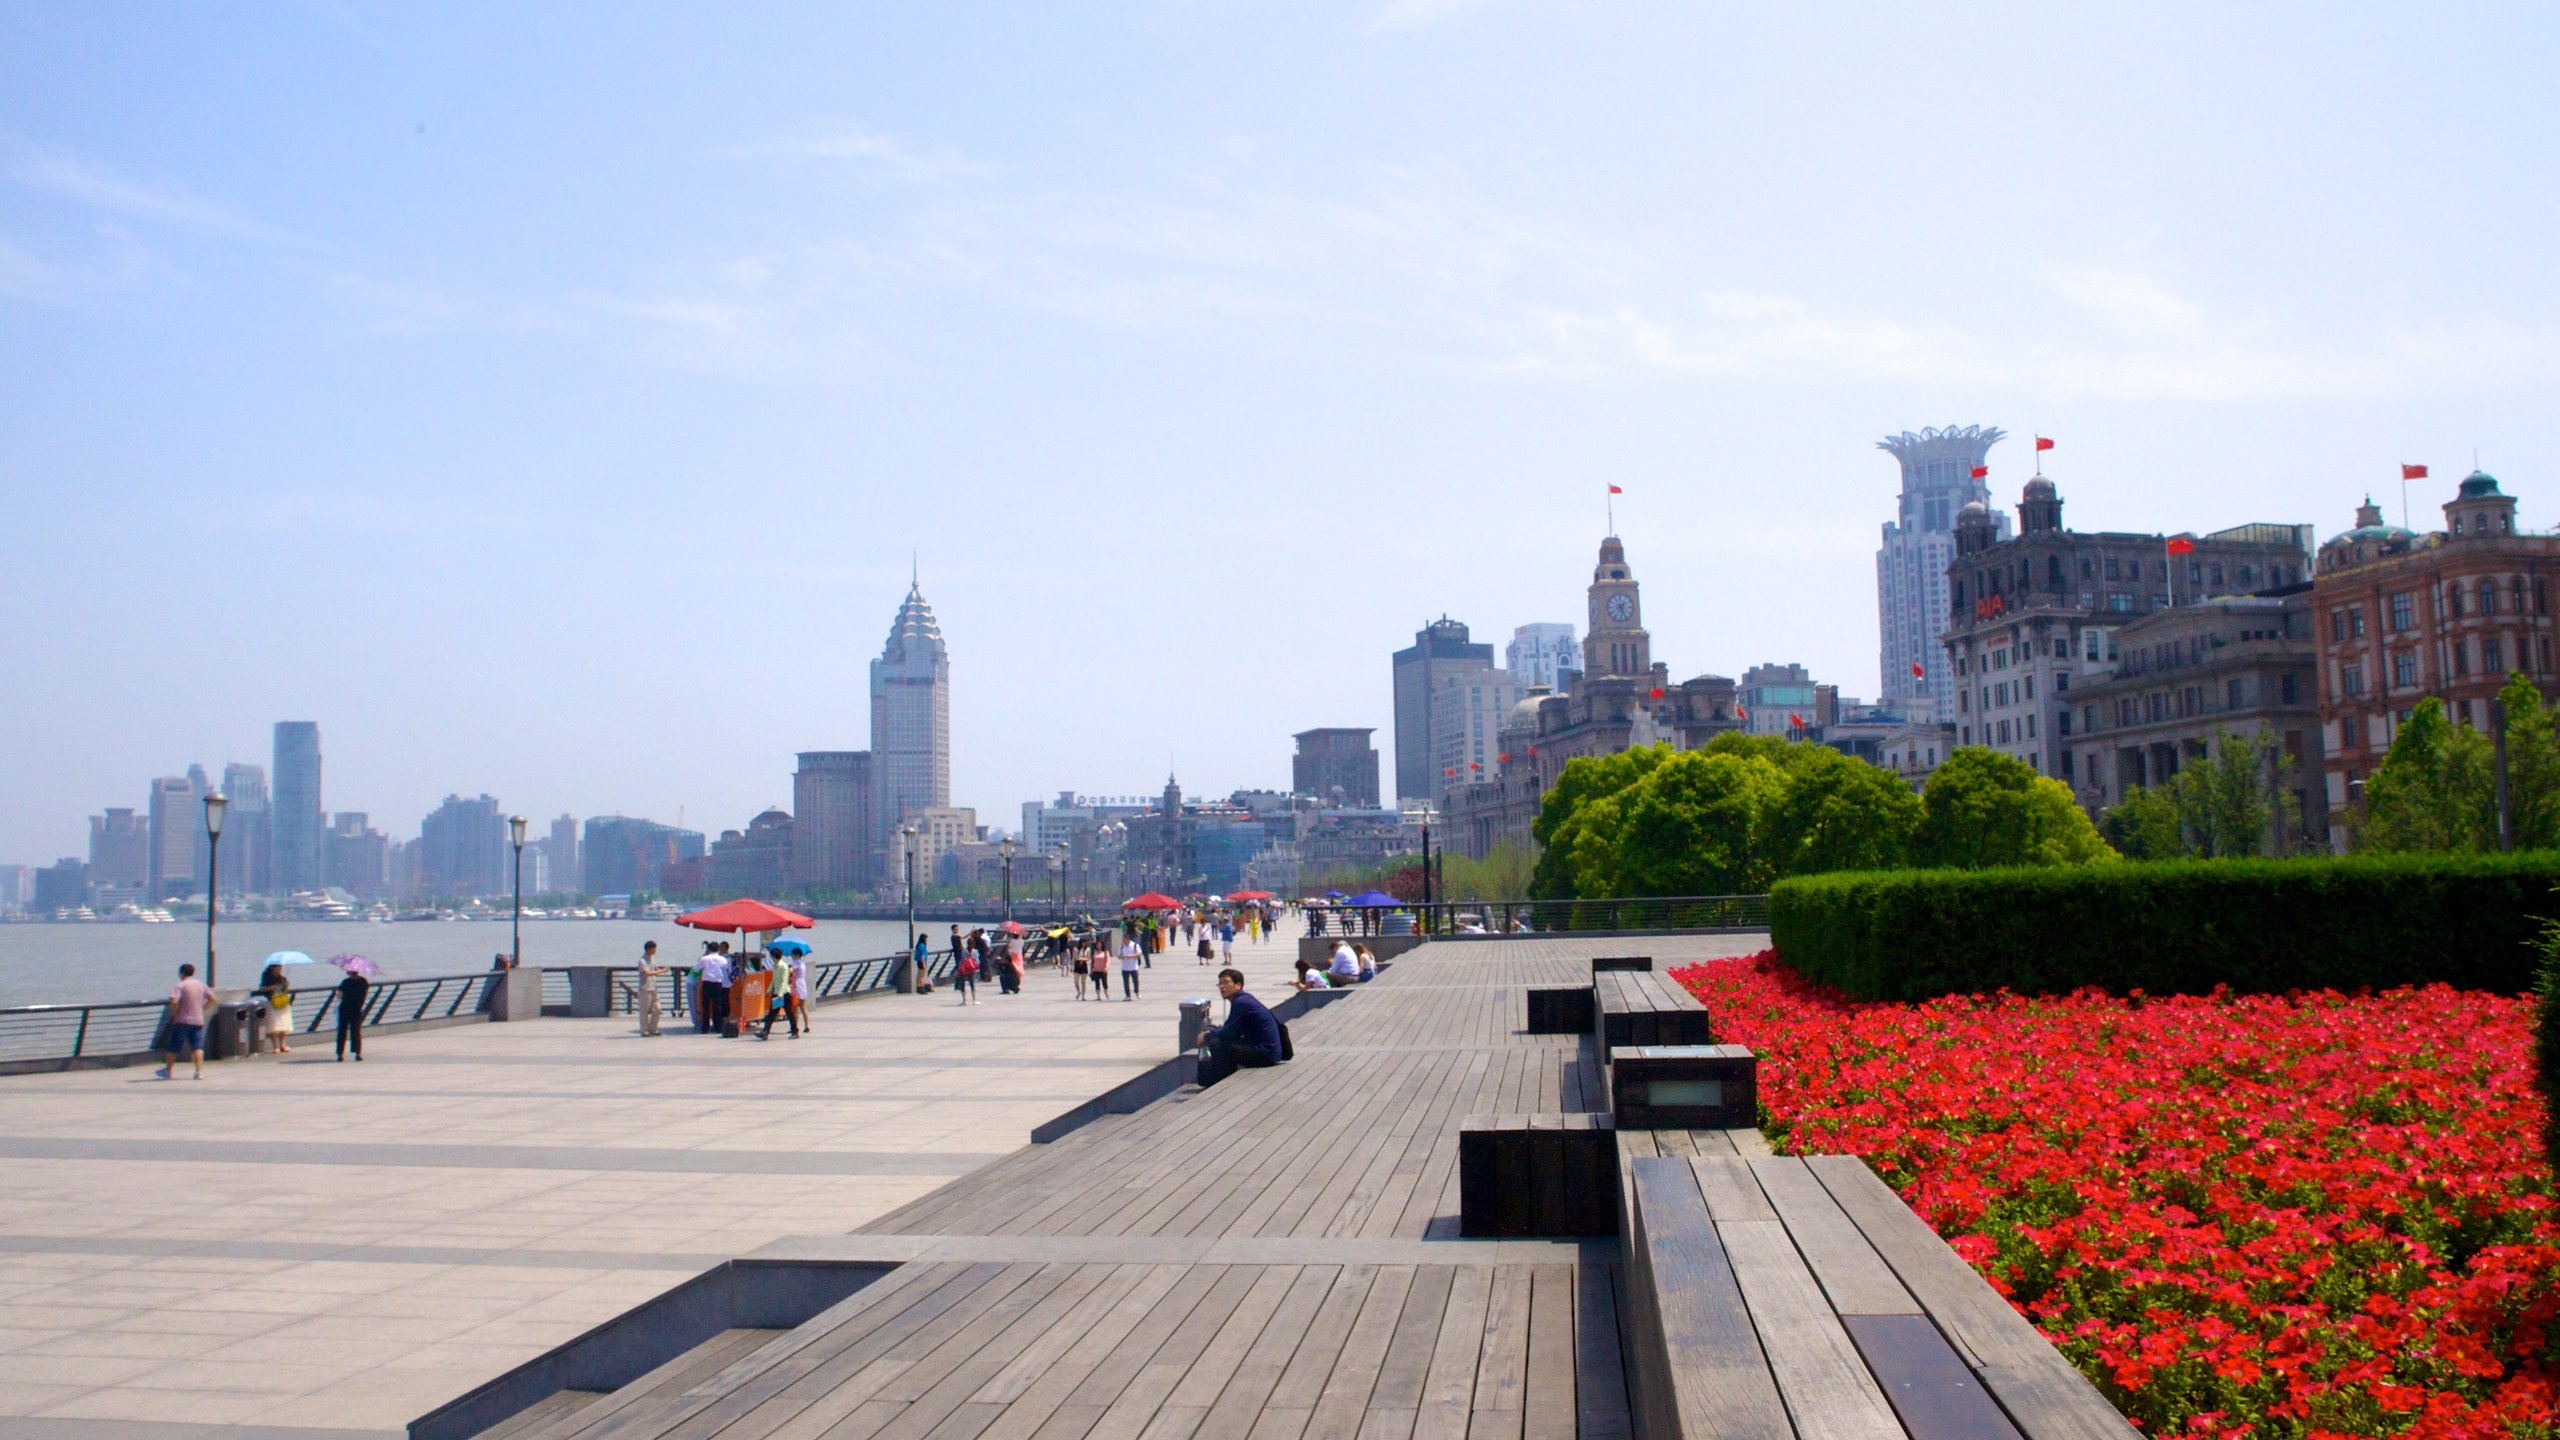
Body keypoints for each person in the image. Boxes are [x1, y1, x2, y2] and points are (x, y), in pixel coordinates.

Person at [1196, 968, 1282, 1088]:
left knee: (1216, 1042)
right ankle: (1219, 1079)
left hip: (1265, 1053)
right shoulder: (1244, 999)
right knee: (1222, 1041)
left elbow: (1227, 1031)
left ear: (1238, 985)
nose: (1222, 987)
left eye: (1226, 982)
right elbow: (1232, 1029)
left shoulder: (1241, 1002)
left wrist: (1206, 1034)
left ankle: (1216, 1082)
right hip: (1270, 1052)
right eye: (1220, 983)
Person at [158, 962, 212, 1080]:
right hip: (198, 1020)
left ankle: (168, 1071)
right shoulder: (201, 985)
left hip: (182, 1020)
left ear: (181, 973)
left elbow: (173, 1001)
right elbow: (212, 999)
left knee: (174, 1046)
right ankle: (198, 1072)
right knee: (197, 1046)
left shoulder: (180, 985)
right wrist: (202, 1009)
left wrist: (176, 1012)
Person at [758, 951, 802, 1039]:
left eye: (771, 956)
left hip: (784, 994)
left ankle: (795, 1032)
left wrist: (780, 993)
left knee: (789, 1013)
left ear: (774, 956)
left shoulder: (783, 966)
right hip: (776, 993)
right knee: (771, 1014)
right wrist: (768, 990)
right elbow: (774, 980)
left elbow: (784, 981)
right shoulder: (775, 966)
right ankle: (765, 1032)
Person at [257, 961, 295, 1055]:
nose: (280, 968)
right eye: (278, 966)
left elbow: (285, 989)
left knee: (283, 1024)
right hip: (272, 1002)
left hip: (282, 1002)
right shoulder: (267, 977)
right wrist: (273, 987)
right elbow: (262, 988)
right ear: (273, 967)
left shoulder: (281, 978)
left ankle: (282, 1044)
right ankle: (275, 1046)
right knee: (273, 1025)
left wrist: (286, 984)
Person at [335, 963, 369, 1060]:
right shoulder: (363, 981)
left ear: (350, 971)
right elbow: (364, 994)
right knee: (355, 1031)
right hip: (356, 1009)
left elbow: (339, 995)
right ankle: (357, 1053)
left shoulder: (345, 982)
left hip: (345, 1008)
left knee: (342, 1031)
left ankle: (340, 1054)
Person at [701, 943, 734, 1035]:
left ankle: (706, 1027)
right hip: (720, 984)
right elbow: (729, 970)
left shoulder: (708, 958)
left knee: (710, 1006)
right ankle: (718, 1026)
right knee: (718, 1006)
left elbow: (697, 968)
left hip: (716, 983)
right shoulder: (723, 959)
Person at [636, 941, 664, 1038]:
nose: (655, 950)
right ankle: (644, 1030)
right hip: (645, 988)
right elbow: (647, 973)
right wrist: (661, 971)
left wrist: (659, 970)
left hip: (654, 987)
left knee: (657, 1009)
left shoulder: (652, 959)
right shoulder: (642, 961)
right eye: (654, 948)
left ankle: (653, 1029)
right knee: (644, 1010)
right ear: (649, 949)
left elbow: (654, 969)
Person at [953, 937, 981, 1005]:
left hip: (964, 970)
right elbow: (977, 961)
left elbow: (962, 960)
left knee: (963, 985)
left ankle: (964, 1001)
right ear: (974, 944)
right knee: (972, 984)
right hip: (971, 970)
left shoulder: (964, 951)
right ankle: (974, 1000)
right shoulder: (975, 951)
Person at [1117, 933, 1143, 1000]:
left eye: (1124, 939)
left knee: (1136, 981)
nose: (1123, 941)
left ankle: (1137, 992)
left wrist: (1131, 956)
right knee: (1126, 982)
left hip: (1133, 967)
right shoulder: (1122, 946)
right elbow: (1119, 955)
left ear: (1128, 939)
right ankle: (1128, 995)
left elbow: (1139, 953)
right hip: (1125, 967)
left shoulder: (1134, 945)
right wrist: (1122, 957)